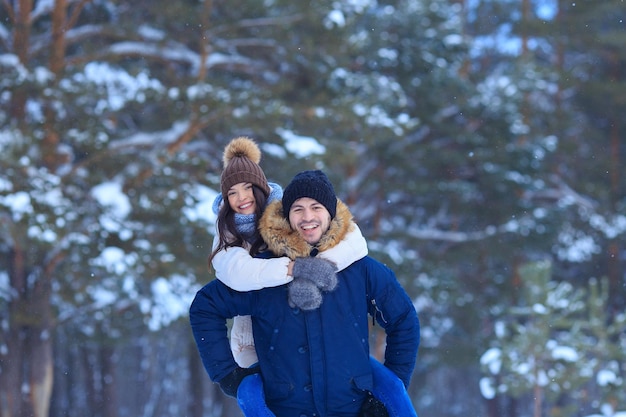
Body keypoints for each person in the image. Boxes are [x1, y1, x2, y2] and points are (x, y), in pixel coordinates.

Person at [190, 169, 420, 416]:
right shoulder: (268, 272)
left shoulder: (360, 269)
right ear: (287, 216)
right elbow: (205, 307)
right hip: (286, 409)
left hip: (352, 408)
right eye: (298, 209)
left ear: (330, 213)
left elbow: (404, 320)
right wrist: (227, 374)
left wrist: (388, 394)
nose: (307, 217)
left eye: (316, 207)